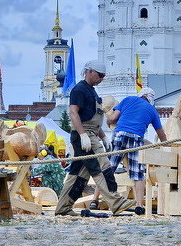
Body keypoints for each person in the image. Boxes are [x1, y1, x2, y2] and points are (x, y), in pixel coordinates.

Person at [54, 65, 130, 216]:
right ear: (90, 71)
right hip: (85, 134)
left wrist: (103, 136)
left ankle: (63, 207)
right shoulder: (79, 90)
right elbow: (73, 113)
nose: (101, 79)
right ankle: (116, 202)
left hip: (91, 133)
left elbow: (93, 118)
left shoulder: (91, 91)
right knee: (103, 166)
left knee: (78, 175)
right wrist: (83, 135)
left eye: (103, 76)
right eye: (100, 75)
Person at [105, 86, 168, 211]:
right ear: (150, 99)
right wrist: (167, 145)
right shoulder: (152, 110)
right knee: (137, 173)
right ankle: (139, 205)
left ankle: (95, 200)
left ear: (140, 95)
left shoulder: (128, 99)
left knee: (108, 168)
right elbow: (161, 134)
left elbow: (112, 118)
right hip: (136, 138)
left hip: (120, 134)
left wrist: (108, 123)